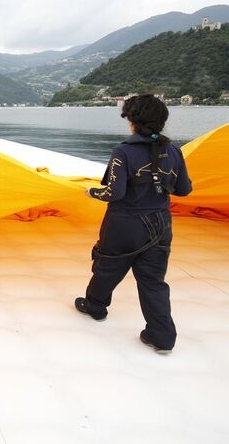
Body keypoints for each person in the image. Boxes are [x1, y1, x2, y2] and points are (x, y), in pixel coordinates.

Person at [74, 94, 192, 353]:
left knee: (107, 266)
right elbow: (184, 190)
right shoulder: (174, 151)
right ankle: (162, 336)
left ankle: (95, 307)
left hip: (124, 224)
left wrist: (91, 192)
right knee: (153, 280)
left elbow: (113, 194)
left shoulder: (123, 151)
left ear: (132, 121)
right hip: (161, 224)